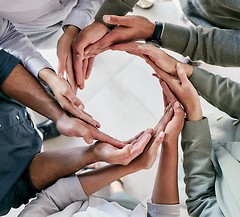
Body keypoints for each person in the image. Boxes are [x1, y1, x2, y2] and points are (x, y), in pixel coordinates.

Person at [0, 50, 147, 215]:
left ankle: (41, 130)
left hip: (17, 118)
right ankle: (116, 184)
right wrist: (94, 153)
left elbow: (2, 64)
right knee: (123, 200)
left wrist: (59, 115)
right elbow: (23, 182)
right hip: (20, 137)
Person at [18, 84, 185, 217]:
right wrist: (169, 142)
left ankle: (113, 181)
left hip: (87, 205)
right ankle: (117, 184)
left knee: (118, 197)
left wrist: (127, 164)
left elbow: (53, 199)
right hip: (128, 210)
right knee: (122, 198)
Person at [113, 41, 240, 216]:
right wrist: (186, 72)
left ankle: (116, 186)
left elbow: (201, 203)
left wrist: (192, 115)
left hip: (195, 170)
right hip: (220, 128)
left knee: (179, 179)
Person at [67, 0, 240, 89]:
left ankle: (192, 56)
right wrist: (110, 12)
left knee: (196, 49)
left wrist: (156, 31)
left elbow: (220, 47)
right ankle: (145, 1)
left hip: (216, 27)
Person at [0, 0, 112, 134]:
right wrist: (49, 76)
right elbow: (5, 37)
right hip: (32, 33)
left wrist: (76, 26)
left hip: (87, 5)